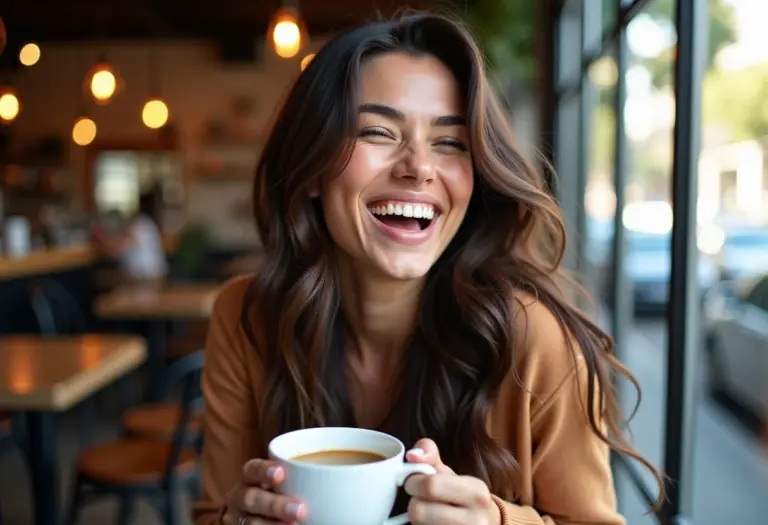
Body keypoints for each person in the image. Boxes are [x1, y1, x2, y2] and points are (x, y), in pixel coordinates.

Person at [193, 11, 664, 525]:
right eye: (378, 131)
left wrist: (499, 521)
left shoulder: (535, 340)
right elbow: (214, 510)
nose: (418, 167)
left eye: (449, 143)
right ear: (311, 169)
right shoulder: (244, 317)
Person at [94, 185, 168, 282]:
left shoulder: (140, 225)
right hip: (154, 275)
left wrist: (101, 240)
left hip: (143, 278)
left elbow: (118, 249)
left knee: (98, 278)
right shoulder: (150, 224)